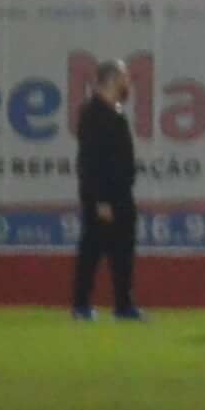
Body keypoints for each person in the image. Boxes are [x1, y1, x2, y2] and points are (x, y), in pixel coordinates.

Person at [70, 61, 141, 322]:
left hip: (121, 194)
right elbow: (90, 160)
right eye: (124, 77)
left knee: (123, 252)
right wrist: (100, 199)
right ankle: (81, 305)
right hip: (102, 197)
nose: (128, 82)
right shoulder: (93, 113)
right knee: (92, 249)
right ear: (111, 79)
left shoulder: (116, 111)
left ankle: (124, 305)